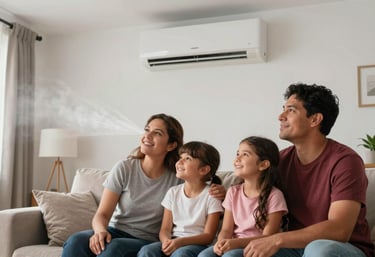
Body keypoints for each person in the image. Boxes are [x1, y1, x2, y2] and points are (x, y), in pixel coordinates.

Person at [61, 113, 226, 257]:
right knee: (76, 241)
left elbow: (200, 182)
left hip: (146, 239)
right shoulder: (124, 167)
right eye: (147, 130)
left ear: (171, 145)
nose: (148, 135)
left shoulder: (177, 176)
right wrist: (100, 231)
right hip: (114, 231)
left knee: (115, 249)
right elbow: (102, 214)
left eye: (157, 133)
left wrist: (222, 191)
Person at [243, 83, 375, 257]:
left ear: (315, 119)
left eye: (291, 110)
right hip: (294, 247)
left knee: (319, 249)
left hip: (342, 247)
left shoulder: (346, 161)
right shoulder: (280, 160)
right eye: (283, 109)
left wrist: (277, 239)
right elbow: (250, 193)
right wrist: (218, 192)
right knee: (238, 254)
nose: (281, 116)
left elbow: (340, 229)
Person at [198, 136, 288, 257]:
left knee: (231, 256)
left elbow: (268, 237)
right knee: (204, 256)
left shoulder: (275, 196)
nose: (237, 158)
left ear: (263, 164)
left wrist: (234, 243)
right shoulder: (232, 192)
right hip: (232, 243)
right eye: (237, 153)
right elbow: (226, 230)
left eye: (245, 154)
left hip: (258, 248)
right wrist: (221, 242)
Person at [138, 141, 224, 257]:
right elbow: (165, 229)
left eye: (187, 158)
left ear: (203, 170)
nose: (180, 162)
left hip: (197, 245)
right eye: (180, 157)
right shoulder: (173, 192)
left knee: (181, 253)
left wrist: (180, 242)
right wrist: (166, 242)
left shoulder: (212, 196)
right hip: (173, 241)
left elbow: (208, 236)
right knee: (147, 251)